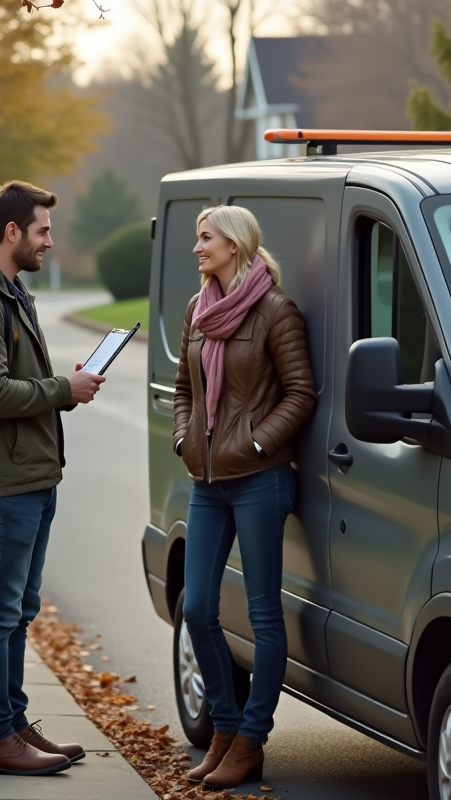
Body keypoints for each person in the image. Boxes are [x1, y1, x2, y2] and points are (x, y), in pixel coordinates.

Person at [0, 181, 105, 776]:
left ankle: (11, 722)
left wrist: (66, 381)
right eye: (41, 231)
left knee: (18, 608)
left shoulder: (11, 293)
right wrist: (64, 390)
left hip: (31, 475)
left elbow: (13, 381)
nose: (49, 241)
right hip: (4, 481)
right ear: (12, 232)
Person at [172, 205, 316, 789]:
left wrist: (256, 446)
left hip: (260, 480)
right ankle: (226, 730)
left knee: (261, 614)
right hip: (208, 481)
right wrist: (185, 437)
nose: (197, 248)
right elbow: (186, 387)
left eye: (205, 238)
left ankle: (253, 739)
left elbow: (301, 393)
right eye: (197, 238)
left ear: (234, 244)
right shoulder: (198, 308)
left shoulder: (276, 311)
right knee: (199, 607)